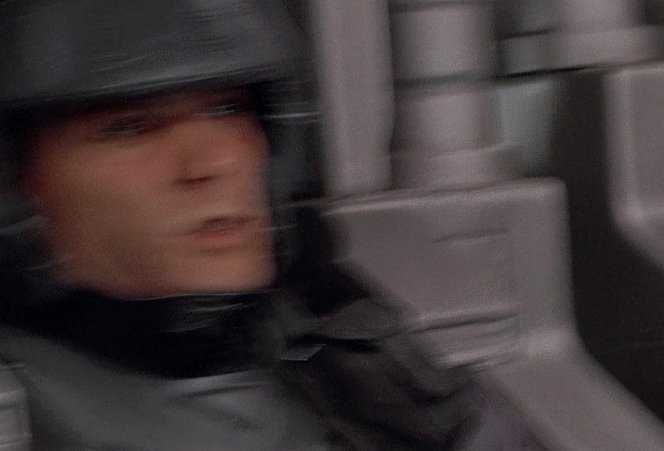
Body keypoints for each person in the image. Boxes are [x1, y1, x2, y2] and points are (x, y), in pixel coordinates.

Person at [0, 1, 538, 449]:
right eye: (131, 127)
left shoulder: (337, 349)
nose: (211, 163)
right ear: (22, 180)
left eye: (227, 111)